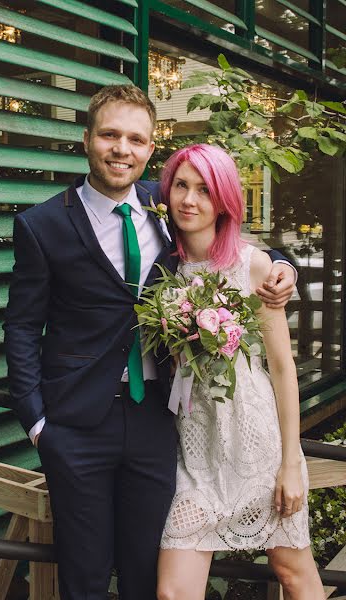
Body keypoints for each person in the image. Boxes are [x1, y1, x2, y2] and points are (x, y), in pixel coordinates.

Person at [3, 86, 297, 600]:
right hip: (75, 426)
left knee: (146, 575)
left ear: (149, 148)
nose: (122, 148)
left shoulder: (165, 209)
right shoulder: (41, 225)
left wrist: (282, 266)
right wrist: (37, 423)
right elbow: (22, 327)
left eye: (136, 139)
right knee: (85, 576)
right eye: (110, 135)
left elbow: (226, 237)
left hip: (157, 421)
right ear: (87, 139)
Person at [157, 144, 325, 600]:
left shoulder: (253, 265)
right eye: (181, 186)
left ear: (225, 199)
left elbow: (282, 369)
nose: (189, 200)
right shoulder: (164, 267)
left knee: (294, 574)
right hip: (196, 452)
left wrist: (291, 464)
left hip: (259, 447)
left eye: (205, 190)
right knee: (173, 591)